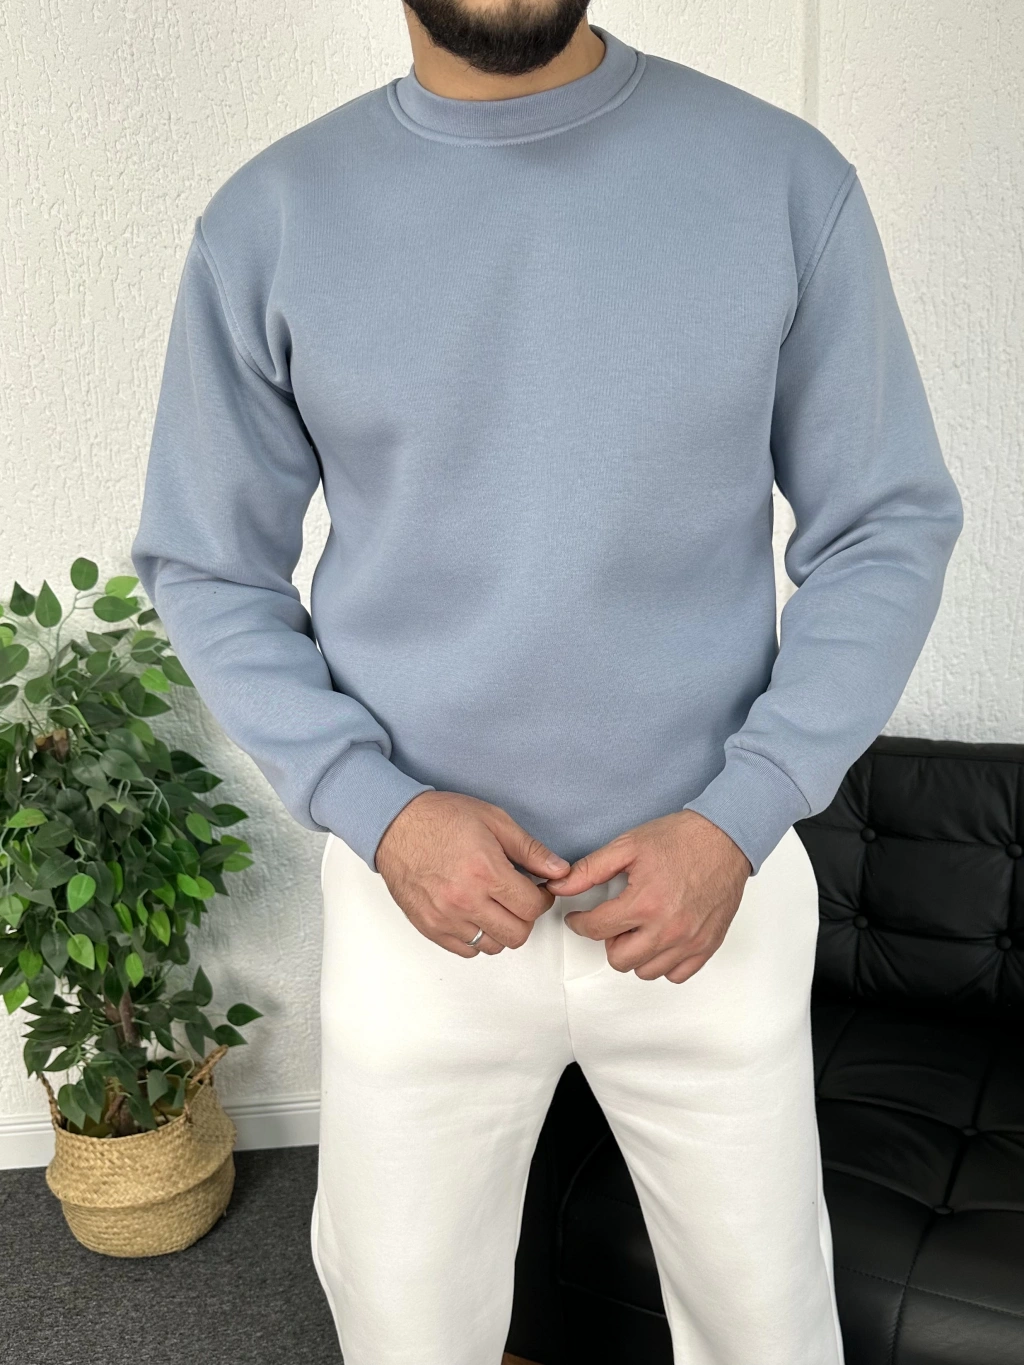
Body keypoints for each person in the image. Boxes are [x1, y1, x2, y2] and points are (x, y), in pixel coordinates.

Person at [130, 2, 964, 1361]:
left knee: (768, 1332)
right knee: (406, 1330)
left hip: (714, 890)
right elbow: (208, 565)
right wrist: (381, 812)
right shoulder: (268, 222)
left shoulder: (781, 181)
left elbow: (886, 525)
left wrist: (743, 813)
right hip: (415, 902)